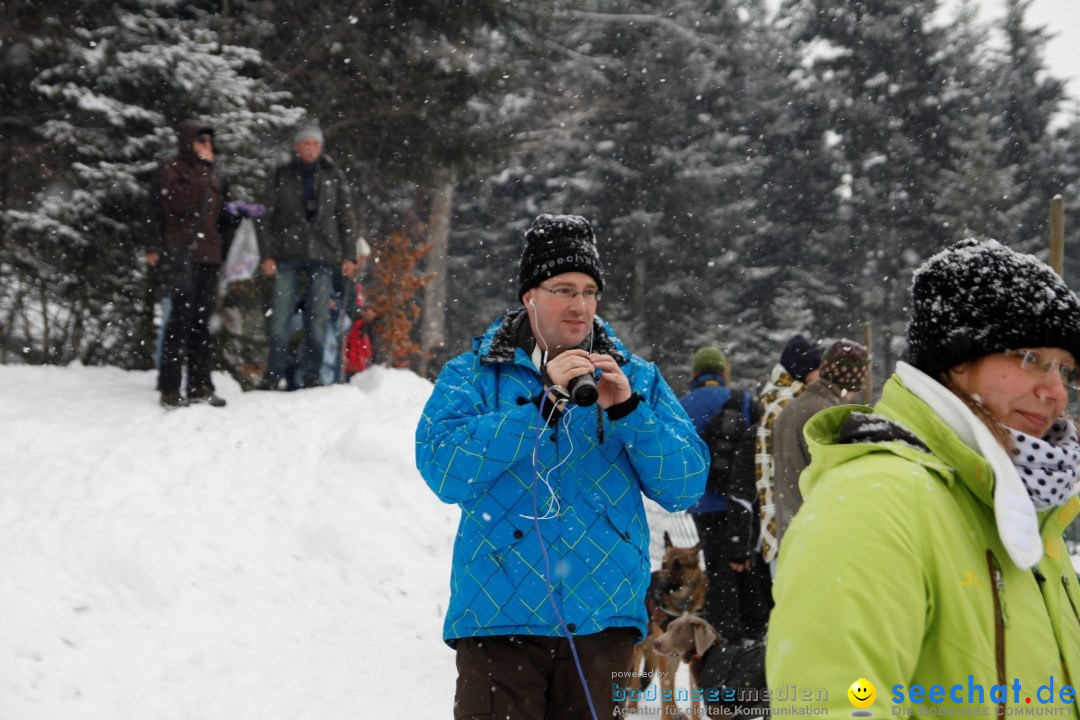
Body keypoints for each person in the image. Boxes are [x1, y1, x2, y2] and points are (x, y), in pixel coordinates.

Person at [766, 238, 1080, 716]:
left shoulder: (1026, 507)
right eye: (1030, 357)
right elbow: (841, 704)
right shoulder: (877, 504)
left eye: (1066, 370)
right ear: (956, 358)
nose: (1055, 391)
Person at [415, 214, 708, 720]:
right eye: (564, 288)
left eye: (590, 291)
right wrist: (536, 409)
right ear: (530, 296)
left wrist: (628, 413)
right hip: (499, 621)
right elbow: (445, 471)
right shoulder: (476, 375)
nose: (579, 305)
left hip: (603, 622)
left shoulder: (635, 377)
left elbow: (685, 486)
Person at [145, 119, 241, 409]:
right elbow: (163, 207)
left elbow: (222, 217)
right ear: (188, 141)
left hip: (209, 256)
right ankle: (170, 387)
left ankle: (200, 384)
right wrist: (152, 246)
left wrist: (236, 222)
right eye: (201, 140)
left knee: (201, 323)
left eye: (209, 142)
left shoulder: (216, 176)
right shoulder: (170, 170)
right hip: (180, 252)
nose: (207, 147)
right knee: (179, 321)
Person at [256, 122, 358, 390]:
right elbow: (265, 216)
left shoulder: (332, 175)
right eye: (307, 143)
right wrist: (266, 255)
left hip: (323, 253)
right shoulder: (281, 175)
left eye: (316, 143)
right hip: (287, 253)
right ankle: (273, 373)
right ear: (296, 147)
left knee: (318, 319)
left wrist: (350, 255)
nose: (312, 148)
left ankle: (312, 373)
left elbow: (346, 216)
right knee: (279, 318)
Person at [678, 346, 769, 643]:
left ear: (695, 374)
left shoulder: (681, 405)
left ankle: (723, 637)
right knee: (747, 566)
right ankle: (757, 631)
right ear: (723, 372)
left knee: (717, 571)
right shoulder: (743, 401)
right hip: (740, 501)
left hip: (703, 503)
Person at [771, 337, 870, 550]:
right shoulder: (828, 416)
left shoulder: (788, 410)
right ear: (854, 384)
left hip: (790, 535)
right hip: (819, 539)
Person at [754, 334, 824, 573]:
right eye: (818, 368)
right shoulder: (788, 405)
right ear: (804, 370)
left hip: (784, 525)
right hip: (789, 526)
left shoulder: (783, 397)